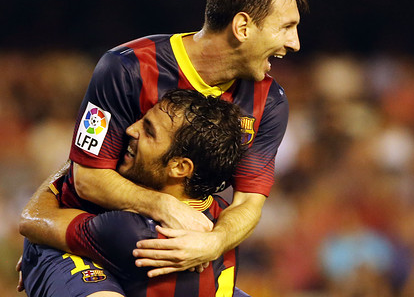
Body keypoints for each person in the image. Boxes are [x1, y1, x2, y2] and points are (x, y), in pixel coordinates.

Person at [20, 0, 313, 280]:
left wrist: (215, 242)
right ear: (243, 27)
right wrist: (164, 206)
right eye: (286, 27)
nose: (295, 43)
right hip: (84, 244)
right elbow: (86, 177)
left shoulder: (269, 102)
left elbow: (248, 203)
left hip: (171, 251)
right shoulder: (126, 68)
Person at [20, 89, 247, 296]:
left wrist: (80, 161)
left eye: (149, 132)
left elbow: (34, 221)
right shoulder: (223, 214)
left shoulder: (135, 231)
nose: (131, 129)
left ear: (179, 167)